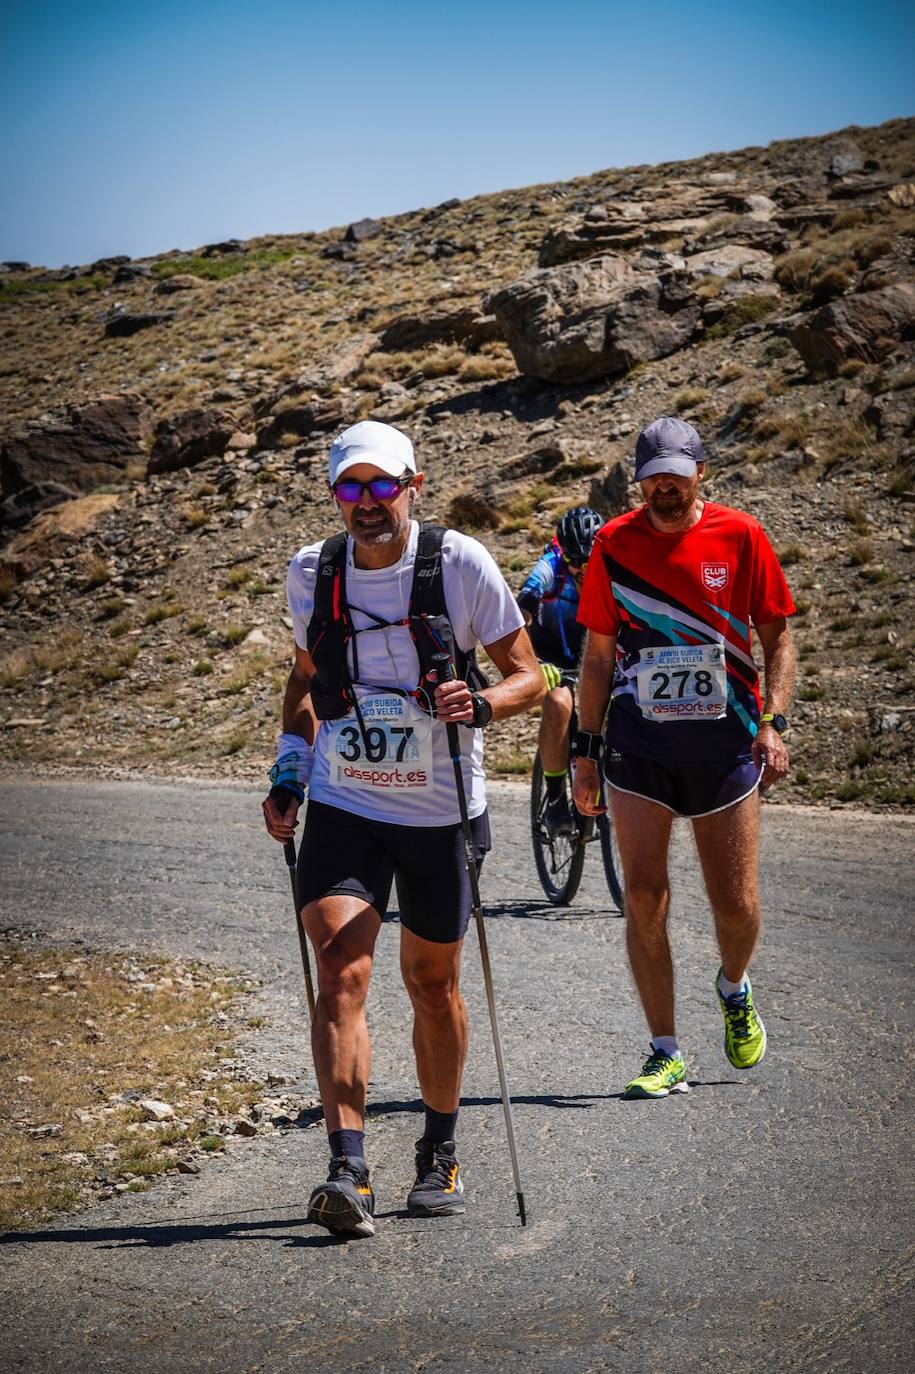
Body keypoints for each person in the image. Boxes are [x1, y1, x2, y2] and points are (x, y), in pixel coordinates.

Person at [262, 419, 543, 1237]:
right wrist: (288, 774)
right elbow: (306, 681)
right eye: (352, 487)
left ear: (412, 485)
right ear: (333, 496)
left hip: (440, 810)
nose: (368, 502)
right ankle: (346, 1169)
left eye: (383, 485)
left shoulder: (458, 565)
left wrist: (483, 702)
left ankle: (439, 1149)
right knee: (340, 974)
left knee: (431, 984)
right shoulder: (312, 573)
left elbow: (528, 674)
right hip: (346, 803)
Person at [572, 416, 796, 1099]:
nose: (662, 486)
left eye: (674, 473)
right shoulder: (612, 543)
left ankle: (733, 987)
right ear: (637, 479)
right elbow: (598, 656)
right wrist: (584, 751)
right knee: (642, 897)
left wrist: (773, 721)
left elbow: (777, 637)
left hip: (724, 745)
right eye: (650, 476)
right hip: (638, 746)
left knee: (735, 904)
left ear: (700, 471)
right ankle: (663, 1051)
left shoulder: (741, 535)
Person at [517, 506, 603, 836]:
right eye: (575, 562)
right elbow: (524, 604)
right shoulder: (551, 564)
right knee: (559, 703)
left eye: (589, 562)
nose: (583, 570)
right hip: (551, 652)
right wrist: (526, 660)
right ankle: (555, 801)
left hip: (595, 653)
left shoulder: (612, 564)